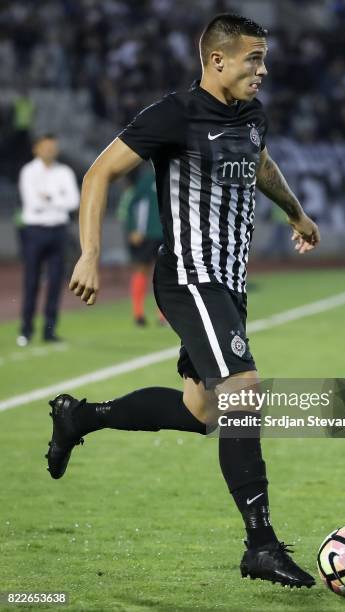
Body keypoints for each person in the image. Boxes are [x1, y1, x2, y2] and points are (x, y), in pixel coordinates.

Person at [45, 14, 320, 588]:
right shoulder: (176, 113)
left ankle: (80, 417)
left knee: (203, 411)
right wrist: (90, 254)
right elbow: (98, 174)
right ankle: (261, 545)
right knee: (244, 391)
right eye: (253, 59)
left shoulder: (251, 114)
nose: (263, 70)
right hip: (190, 278)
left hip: (229, 282)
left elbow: (260, 163)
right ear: (217, 60)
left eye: (264, 59)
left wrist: (294, 211)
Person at [17, 134, 79, 346]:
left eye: (53, 146)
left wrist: (49, 197)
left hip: (58, 231)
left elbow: (73, 201)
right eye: (46, 146)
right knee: (31, 281)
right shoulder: (28, 171)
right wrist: (57, 198)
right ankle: (25, 330)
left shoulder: (64, 172)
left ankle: (49, 331)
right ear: (37, 148)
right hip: (35, 231)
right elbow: (33, 202)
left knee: (55, 282)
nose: (50, 150)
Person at [117, 167, 166, 326]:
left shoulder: (174, 176)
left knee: (165, 273)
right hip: (147, 234)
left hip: (166, 233)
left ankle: (163, 315)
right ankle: (138, 314)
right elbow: (133, 203)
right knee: (141, 269)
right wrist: (133, 228)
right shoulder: (148, 179)